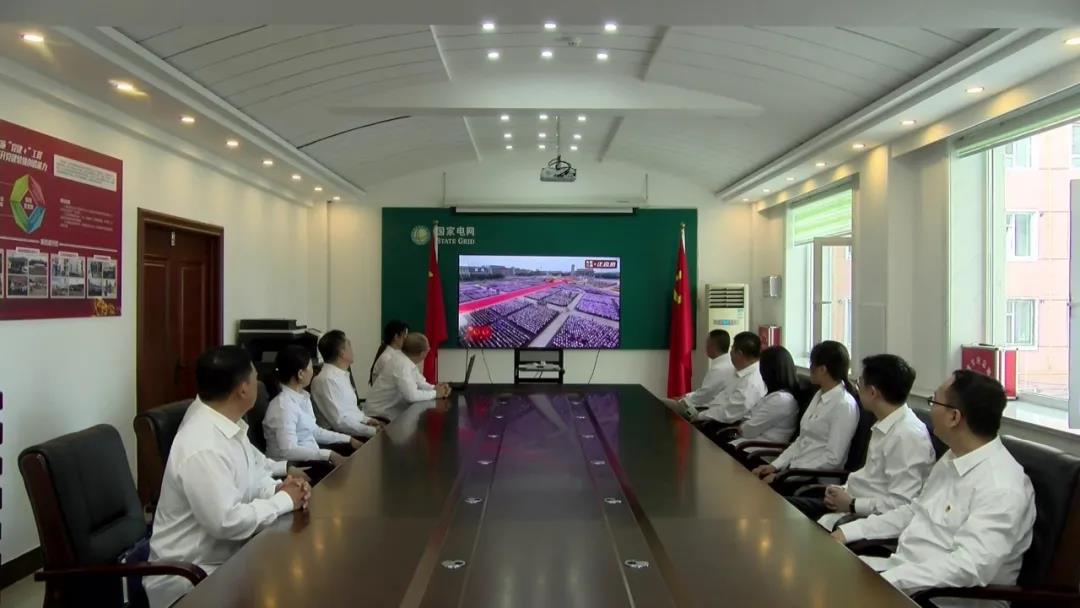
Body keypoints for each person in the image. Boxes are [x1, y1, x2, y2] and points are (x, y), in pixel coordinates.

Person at [832, 370, 1035, 604]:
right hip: (905, 577)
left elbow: (969, 566)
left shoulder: (1002, 486)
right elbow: (914, 511)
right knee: (826, 570)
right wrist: (849, 532)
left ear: (954, 417)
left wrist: (890, 581)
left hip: (943, 599)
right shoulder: (952, 457)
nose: (930, 410)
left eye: (934, 401)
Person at [144, 346, 310, 608]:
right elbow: (226, 521)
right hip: (189, 581)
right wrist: (284, 501)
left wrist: (279, 489)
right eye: (255, 377)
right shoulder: (202, 444)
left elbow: (254, 476)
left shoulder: (229, 424)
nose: (258, 382)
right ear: (243, 389)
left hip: (227, 562)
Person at [786, 354, 935, 525]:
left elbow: (900, 504)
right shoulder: (885, 423)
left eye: (859, 383)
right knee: (780, 507)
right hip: (849, 504)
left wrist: (852, 504)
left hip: (865, 519)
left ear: (872, 392)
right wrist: (841, 491)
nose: (857, 388)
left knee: (784, 518)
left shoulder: (907, 436)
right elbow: (870, 479)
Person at [752, 341, 858, 486]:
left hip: (815, 480)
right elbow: (802, 440)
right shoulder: (819, 395)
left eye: (812, 364)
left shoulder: (844, 405)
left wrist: (785, 476)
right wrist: (774, 466)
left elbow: (833, 459)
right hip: (795, 471)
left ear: (823, 369)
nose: (809, 368)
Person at [264, 345, 361, 483]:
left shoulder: (302, 396)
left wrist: (349, 439)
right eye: (310, 367)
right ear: (300, 374)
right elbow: (288, 450)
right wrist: (328, 455)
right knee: (348, 476)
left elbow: (314, 431)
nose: (313, 371)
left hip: (311, 456)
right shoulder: (283, 406)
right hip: (293, 466)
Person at [310, 330, 381, 438]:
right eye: (349, 344)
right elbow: (340, 422)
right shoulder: (326, 380)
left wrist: (367, 420)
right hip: (338, 438)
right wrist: (371, 431)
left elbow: (350, 411)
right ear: (341, 352)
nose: (352, 348)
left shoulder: (341, 374)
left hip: (353, 430)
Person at [365, 333, 450, 420]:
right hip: (377, 416)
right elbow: (412, 396)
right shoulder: (401, 365)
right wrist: (436, 393)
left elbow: (420, 383)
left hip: (391, 414)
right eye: (428, 349)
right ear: (422, 353)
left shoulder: (405, 359)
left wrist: (435, 388)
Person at [729, 345, 800, 446]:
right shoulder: (777, 395)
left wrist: (744, 426)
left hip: (756, 448)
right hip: (749, 444)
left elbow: (748, 430)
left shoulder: (781, 400)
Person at [691, 331, 766, 426]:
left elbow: (728, 413)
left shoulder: (751, 383)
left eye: (732, 348)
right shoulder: (739, 371)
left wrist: (699, 416)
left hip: (727, 424)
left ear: (739, 354)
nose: (730, 353)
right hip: (714, 413)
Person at [669, 329, 734, 413]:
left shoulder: (719, 369)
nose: (705, 347)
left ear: (712, 346)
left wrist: (683, 400)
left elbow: (704, 395)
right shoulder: (730, 363)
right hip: (716, 408)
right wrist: (686, 396)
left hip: (709, 410)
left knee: (666, 404)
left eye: (707, 343)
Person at [369, 319, 409, 385]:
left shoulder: (395, 354)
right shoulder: (387, 358)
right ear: (396, 336)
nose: (406, 337)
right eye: (404, 334)